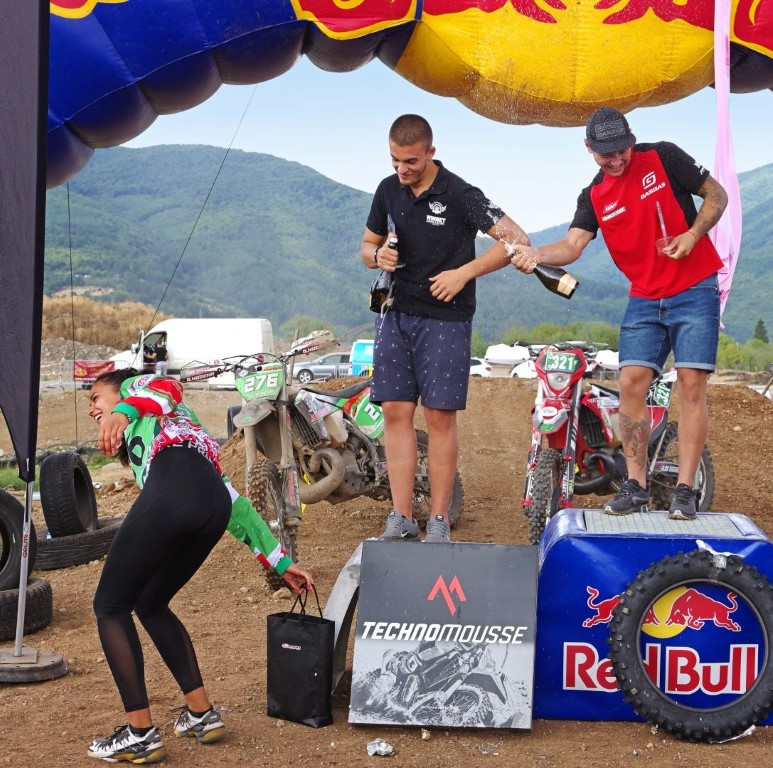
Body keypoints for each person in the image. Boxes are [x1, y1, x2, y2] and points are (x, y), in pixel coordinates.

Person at [84, 368, 315, 763]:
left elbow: (168, 387)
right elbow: (234, 504)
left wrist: (121, 410)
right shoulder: (166, 432)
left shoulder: (138, 391)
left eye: (95, 398)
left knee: (110, 605)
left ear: (120, 390)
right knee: (150, 603)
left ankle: (140, 734)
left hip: (179, 489)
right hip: (211, 502)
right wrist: (279, 560)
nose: (92, 409)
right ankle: (201, 714)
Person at [509, 107, 728, 520]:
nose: (616, 160)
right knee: (630, 382)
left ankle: (685, 490)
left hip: (695, 287)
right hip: (644, 296)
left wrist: (692, 234)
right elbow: (573, 246)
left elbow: (717, 195)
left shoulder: (663, 156)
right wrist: (535, 253)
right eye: (605, 154)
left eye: (622, 150)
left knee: (691, 383)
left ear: (631, 139)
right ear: (588, 148)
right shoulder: (593, 195)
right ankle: (636, 485)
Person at [360, 114, 533, 543]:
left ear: (431, 153)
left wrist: (464, 272)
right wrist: (377, 255)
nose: (402, 169)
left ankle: (438, 519)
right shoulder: (387, 190)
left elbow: (516, 239)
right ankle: (401, 516)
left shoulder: (460, 193)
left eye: (411, 161)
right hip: (394, 313)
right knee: (395, 412)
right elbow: (366, 246)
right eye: (395, 160)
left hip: (446, 319)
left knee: (438, 416)